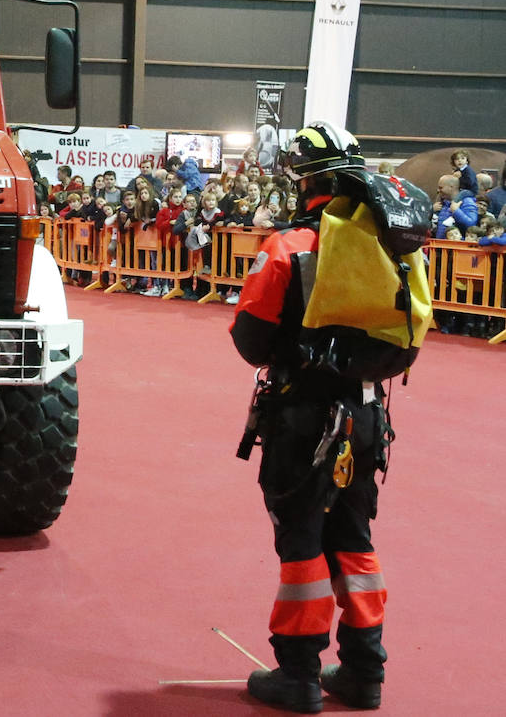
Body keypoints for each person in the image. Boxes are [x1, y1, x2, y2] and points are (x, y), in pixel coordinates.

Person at [230, 122, 391, 713]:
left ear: (308, 182)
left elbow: (251, 338)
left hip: (304, 417)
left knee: (301, 540)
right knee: (353, 539)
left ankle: (298, 673)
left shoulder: (290, 244)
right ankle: (364, 671)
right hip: (367, 413)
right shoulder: (383, 244)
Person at [433, 172, 478, 238]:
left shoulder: (467, 202)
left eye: (441, 187)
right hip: (440, 245)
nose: (438, 190)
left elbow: (471, 225)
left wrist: (456, 211)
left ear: (451, 187)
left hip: (457, 246)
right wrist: (432, 211)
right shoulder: (442, 203)